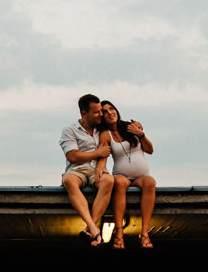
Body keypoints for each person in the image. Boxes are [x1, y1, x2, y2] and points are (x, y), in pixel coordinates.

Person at [98, 100, 156, 248]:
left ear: (116, 110)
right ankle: (118, 233)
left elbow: (150, 150)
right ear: (102, 116)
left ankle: (144, 234)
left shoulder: (131, 127)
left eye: (111, 109)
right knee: (119, 183)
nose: (109, 113)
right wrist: (100, 170)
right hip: (121, 175)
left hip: (141, 176)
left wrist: (141, 134)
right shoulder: (106, 134)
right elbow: (103, 155)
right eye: (105, 111)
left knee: (150, 182)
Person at [59, 94, 114, 247]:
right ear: (84, 113)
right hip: (77, 170)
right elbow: (73, 157)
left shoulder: (102, 129)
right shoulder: (69, 130)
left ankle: (89, 229)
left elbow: (108, 147)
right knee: (69, 180)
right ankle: (94, 228)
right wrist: (98, 153)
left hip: (96, 170)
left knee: (109, 180)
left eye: (100, 111)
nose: (101, 115)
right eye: (96, 112)